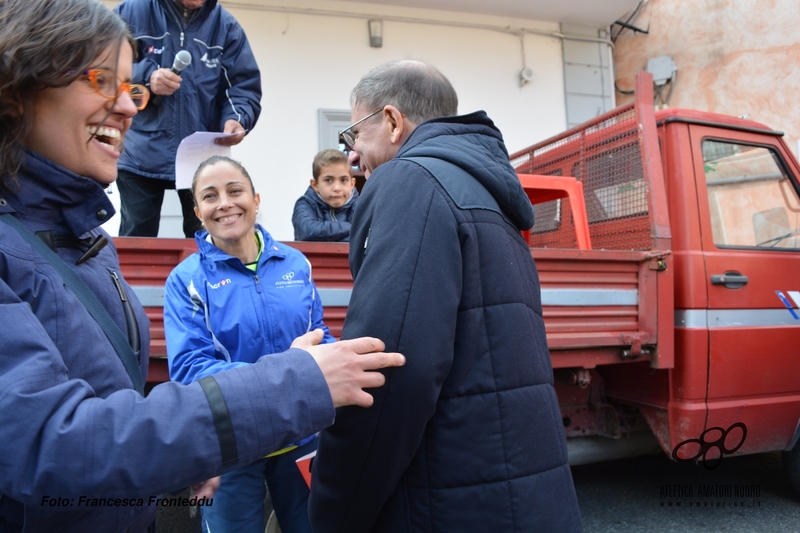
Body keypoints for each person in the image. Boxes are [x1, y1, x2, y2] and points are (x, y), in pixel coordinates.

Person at [0, 2, 403, 531]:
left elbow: (114, 410)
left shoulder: (91, 245)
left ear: (258, 200)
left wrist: (167, 463)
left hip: (270, 436)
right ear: (15, 92)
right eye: (102, 79)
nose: (127, 106)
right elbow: (55, 443)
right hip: (245, 438)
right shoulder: (185, 279)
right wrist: (292, 383)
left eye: (131, 86)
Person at [308, 60, 583, 532]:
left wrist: (332, 508)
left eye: (354, 134)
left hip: (445, 501)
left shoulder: (410, 181)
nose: (351, 158)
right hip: (512, 494)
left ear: (393, 122)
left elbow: (388, 376)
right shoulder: (487, 192)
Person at [164, 155, 334, 533]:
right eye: (210, 196)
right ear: (198, 211)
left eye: (234, 191)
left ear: (256, 199)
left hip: (300, 436)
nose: (224, 203)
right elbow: (191, 368)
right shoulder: (186, 280)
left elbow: (318, 332)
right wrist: (289, 372)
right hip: (232, 445)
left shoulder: (295, 263)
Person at [113, 0, 261, 238]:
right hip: (138, 152)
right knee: (137, 236)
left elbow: (243, 86)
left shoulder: (226, 27)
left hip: (200, 155)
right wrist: (146, 77)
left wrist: (237, 118)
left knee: (206, 237)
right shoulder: (130, 14)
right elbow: (105, 68)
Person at [292, 149, 359, 242]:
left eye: (343, 180)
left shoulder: (361, 205)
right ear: (315, 185)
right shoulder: (305, 204)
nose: (337, 188)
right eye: (328, 180)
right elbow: (308, 232)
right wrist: (352, 227)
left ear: (352, 184)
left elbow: (367, 237)